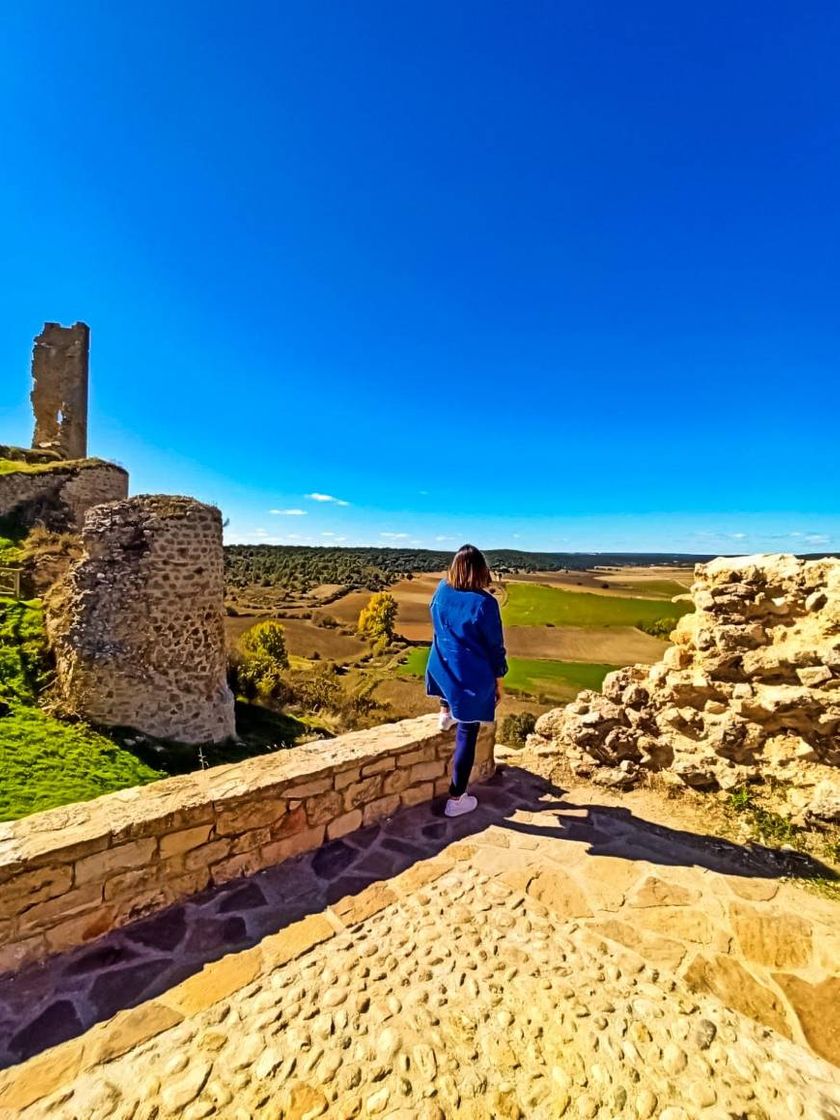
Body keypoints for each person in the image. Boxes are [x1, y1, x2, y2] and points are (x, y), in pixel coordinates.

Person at [425, 544, 508, 817]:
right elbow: (495, 647)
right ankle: (457, 798)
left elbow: (436, 619)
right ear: (482, 570)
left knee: (452, 694)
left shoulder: (441, 589)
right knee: (468, 733)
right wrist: (499, 681)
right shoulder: (485, 604)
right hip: (470, 676)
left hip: (442, 664)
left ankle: (445, 712)